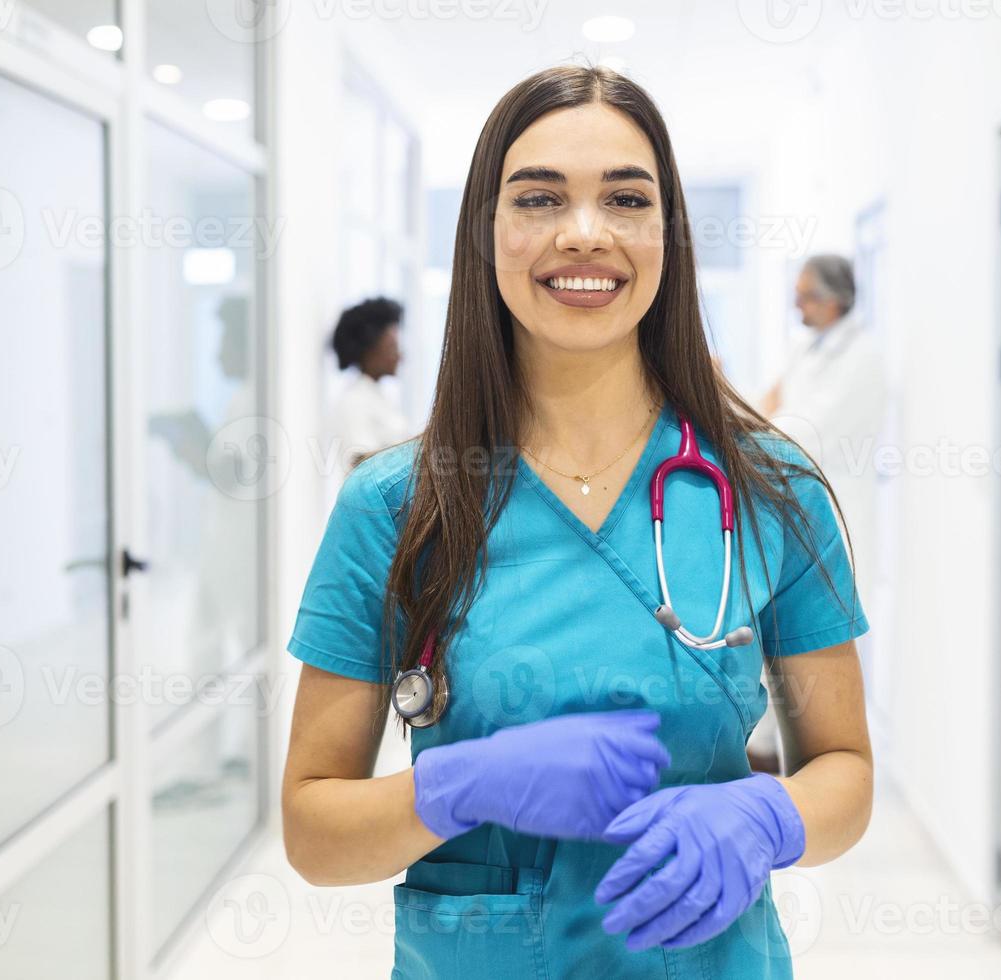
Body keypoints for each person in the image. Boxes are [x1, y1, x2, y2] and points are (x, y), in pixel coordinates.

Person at [281, 65, 872, 979]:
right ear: (487, 232)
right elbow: (314, 834)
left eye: (627, 199)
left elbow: (844, 769)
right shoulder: (397, 505)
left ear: (668, 234)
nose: (585, 233)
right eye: (539, 198)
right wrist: (455, 787)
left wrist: (771, 816)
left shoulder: (769, 490)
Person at [750, 256, 885, 775]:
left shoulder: (864, 358)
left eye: (806, 295)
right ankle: (766, 764)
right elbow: (770, 405)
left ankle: (810, 773)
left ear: (836, 300)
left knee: (815, 652)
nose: (796, 304)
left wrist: (750, 421)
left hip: (835, 511)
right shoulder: (806, 347)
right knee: (771, 655)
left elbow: (803, 431)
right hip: (789, 510)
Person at [329, 295, 411, 482]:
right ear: (369, 350)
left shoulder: (379, 397)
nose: (399, 356)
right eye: (392, 348)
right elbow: (362, 464)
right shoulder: (354, 401)